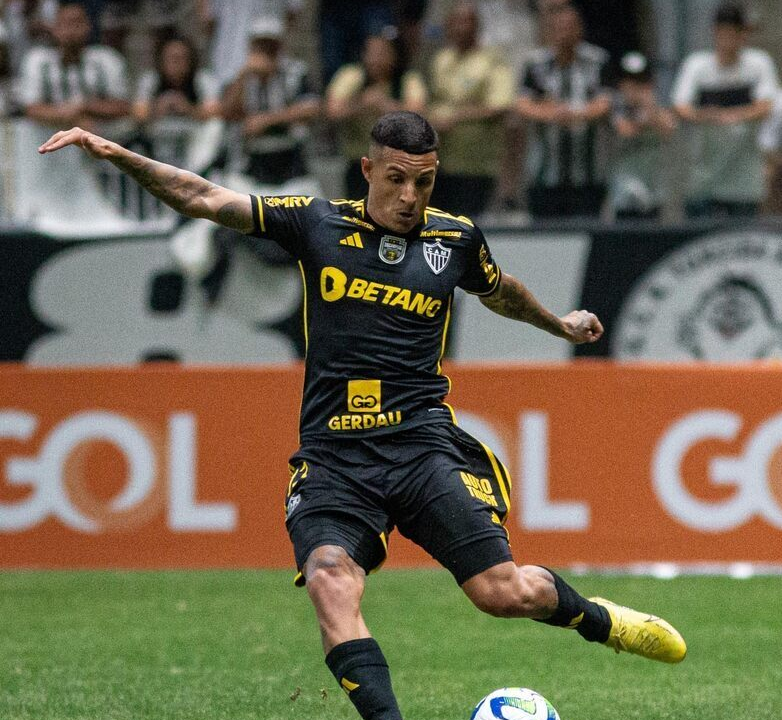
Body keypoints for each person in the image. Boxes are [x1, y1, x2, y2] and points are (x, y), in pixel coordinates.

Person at [38, 111, 687, 720]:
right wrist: (114, 152)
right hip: (335, 458)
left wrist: (558, 323)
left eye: (425, 182)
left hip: (421, 446)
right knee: (329, 579)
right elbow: (205, 198)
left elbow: (500, 290)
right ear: (368, 170)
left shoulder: (454, 240)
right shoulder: (316, 224)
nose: (411, 196)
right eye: (399, 179)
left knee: (501, 594)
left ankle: (601, 621)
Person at [671, 2, 779, 218]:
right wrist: (705, 116)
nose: (728, 38)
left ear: (743, 34)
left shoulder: (758, 63)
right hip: (703, 180)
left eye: (734, 32)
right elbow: (680, 107)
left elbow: (766, 106)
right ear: (715, 32)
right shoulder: (696, 65)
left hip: (744, 183)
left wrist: (731, 116)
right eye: (723, 31)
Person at [513, 4, 611, 219]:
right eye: (559, 28)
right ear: (550, 31)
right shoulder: (535, 65)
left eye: (570, 27)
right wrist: (553, 114)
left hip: (587, 176)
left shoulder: (597, 61)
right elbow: (523, 105)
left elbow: (604, 104)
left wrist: (574, 113)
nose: (565, 33)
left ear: (580, 29)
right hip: (544, 175)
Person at [427, 2, 515, 219]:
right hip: (440, 163)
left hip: (477, 164)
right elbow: (429, 102)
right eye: (454, 22)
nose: (459, 28)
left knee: (468, 228)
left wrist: (456, 117)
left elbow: (500, 106)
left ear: (477, 26)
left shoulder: (492, 60)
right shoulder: (441, 60)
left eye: (465, 22)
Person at [326, 29, 427, 200]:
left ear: (395, 55)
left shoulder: (408, 79)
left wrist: (383, 105)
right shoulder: (352, 75)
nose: (375, 59)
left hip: (398, 166)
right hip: (359, 164)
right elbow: (333, 111)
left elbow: (418, 116)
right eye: (371, 52)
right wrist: (361, 105)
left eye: (382, 52)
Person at [220, 15, 320, 188]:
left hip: (291, 163)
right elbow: (226, 112)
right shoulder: (242, 77)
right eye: (260, 46)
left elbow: (312, 108)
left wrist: (267, 120)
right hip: (251, 165)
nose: (266, 52)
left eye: (270, 46)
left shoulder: (295, 72)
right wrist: (243, 76)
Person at [17, 1, 128, 129]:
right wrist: (72, 118)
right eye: (65, 24)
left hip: (101, 138)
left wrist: (83, 107)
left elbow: (123, 107)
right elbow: (31, 108)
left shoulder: (107, 58)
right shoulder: (37, 60)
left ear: (88, 27)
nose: (71, 31)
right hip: (48, 139)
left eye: (77, 23)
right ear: (54, 28)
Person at [606, 50, 676, 220]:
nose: (634, 87)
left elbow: (668, 129)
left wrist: (649, 106)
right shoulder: (615, 107)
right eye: (629, 81)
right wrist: (645, 120)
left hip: (654, 192)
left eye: (640, 81)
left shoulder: (657, 105)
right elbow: (626, 131)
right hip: (624, 193)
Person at [133, 35, 220, 124]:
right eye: (172, 58)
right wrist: (157, 109)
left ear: (191, 60)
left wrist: (188, 108)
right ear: (161, 60)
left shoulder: (203, 79)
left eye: (181, 58)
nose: (176, 63)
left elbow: (213, 112)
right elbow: (138, 113)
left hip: (195, 130)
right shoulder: (150, 79)